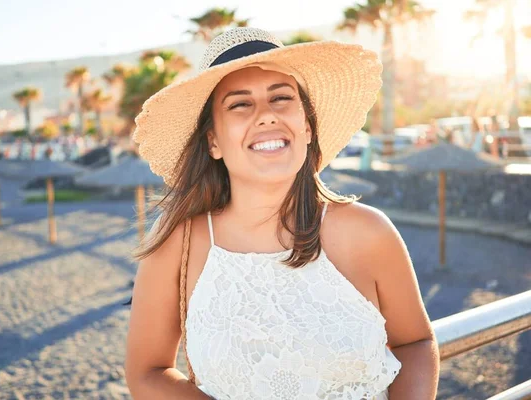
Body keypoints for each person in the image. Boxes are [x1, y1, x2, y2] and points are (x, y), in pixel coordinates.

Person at [124, 27, 439, 399]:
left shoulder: (368, 231)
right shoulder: (181, 239)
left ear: (306, 126)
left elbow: (415, 343)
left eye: (281, 98)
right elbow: (147, 371)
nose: (266, 116)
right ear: (213, 141)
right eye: (240, 104)